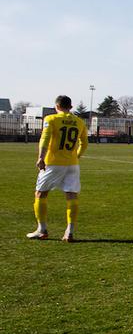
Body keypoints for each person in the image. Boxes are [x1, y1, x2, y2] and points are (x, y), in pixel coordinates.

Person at [28, 95, 89, 241]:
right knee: (72, 195)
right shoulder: (79, 122)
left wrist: (41, 157)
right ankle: (70, 231)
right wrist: (77, 155)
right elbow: (84, 143)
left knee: (40, 194)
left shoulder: (51, 119)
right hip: (72, 164)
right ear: (71, 106)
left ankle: (42, 229)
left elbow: (45, 138)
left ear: (57, 106)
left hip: (53, 163)